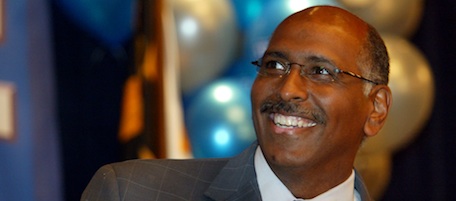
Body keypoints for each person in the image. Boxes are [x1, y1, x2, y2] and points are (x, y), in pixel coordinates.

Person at [81, 5, 391, 201]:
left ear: (376, 108)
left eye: (321, 71)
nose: (287, 90)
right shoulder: (132, 193)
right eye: (275, 65)